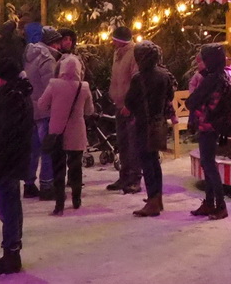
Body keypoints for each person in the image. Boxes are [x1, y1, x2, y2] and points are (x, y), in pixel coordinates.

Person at [0, 56, 34, 274]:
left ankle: (11, 252)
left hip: (8, 161)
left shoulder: (13, 98)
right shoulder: (15, 94)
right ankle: (11, 251)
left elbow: (7, 134)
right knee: (10, 205)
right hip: (12, 159)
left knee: (8, 206)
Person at [35, 53, 95, 215]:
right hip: (77, 133)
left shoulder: (54, 85)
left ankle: (59, 204)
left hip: (57, 131)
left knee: (58, 168)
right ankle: (76, 200)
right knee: (75, 168)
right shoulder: (83, 87)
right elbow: (90, 110)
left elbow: (41, 104)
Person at [186, 43, 231, 221]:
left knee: (208, 165)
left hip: (208, 125)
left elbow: (192, 101)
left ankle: (220, 205)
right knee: (207, 163)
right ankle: (209, 202)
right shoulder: (222, 76)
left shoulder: (211, 80)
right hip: (215, 126)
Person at [125, 40, 176, 218]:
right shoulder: (164, 75)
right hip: (158, 123)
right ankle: (157, 198)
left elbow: (129, 101)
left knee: (147, 162)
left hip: (143, 124)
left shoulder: (139, 78)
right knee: (154, 161)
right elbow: (170, 95)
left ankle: (152, 200)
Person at [23, 24, 59, 199]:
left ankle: (29, 183)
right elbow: (50, 86)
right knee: (48, 149)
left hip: (31, 107)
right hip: (45, 110)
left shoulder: (30, 55)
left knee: (33, 149)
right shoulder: (47, 59)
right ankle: (47, 185)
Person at [106, 27, 142, 195]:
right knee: (122, 142)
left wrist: (130, 103)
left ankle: (135, 178)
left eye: (114, 39)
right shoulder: (117, 54)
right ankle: (124, 175)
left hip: (130, 107)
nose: (112, 42)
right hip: (119, 105)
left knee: (133, 143)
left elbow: (136, 80)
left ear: (121, 40)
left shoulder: (133, 53)